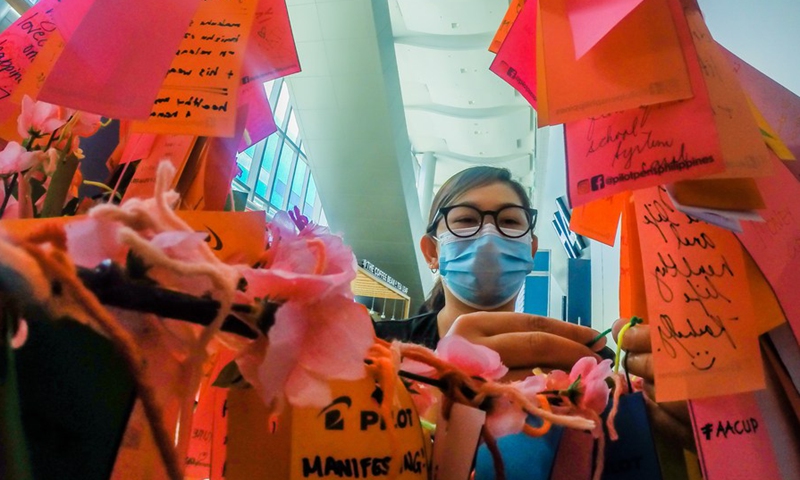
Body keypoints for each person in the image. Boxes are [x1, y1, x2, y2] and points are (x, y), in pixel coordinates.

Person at [373, 166, 611, 379]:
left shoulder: (580, 360)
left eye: (509, 221)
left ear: (531, 250)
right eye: (466, 219)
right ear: (430, 252)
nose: (488, 237)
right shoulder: (373, 346)